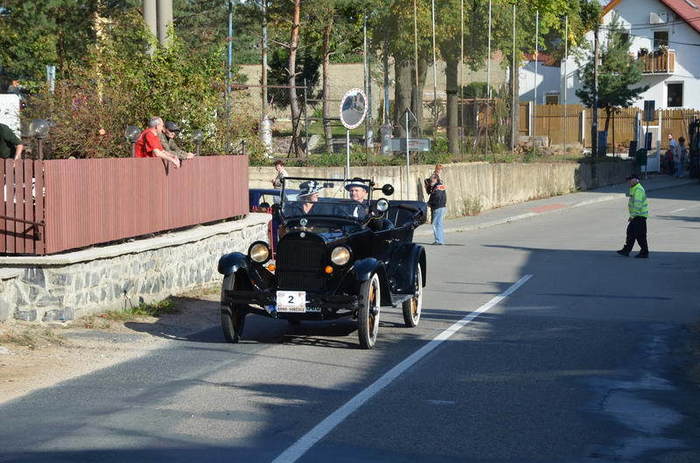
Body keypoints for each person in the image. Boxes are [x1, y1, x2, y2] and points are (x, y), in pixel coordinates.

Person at [617, 175, 649, 258]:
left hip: (639, 216)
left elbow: (637, 205)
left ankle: (644, 252)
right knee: (631, 233)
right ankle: (626, 250)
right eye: (628, 180)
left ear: (636, 180)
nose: (629, 182)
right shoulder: (634, 188)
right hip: (637, 216)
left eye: (630, 180)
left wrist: (632, 216)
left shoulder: (638, 190)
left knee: (640, 235)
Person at [427, 164, 447, 245]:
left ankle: (438, 241)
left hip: (437, 207)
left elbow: (436, 196)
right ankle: (440, 240)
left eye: (431, 180)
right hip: (442, 206)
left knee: (435, 224)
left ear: (435, 179)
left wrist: (430, 203)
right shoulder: (440, 186)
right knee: (439, 224)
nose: (430, 182)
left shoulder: (436, 187)